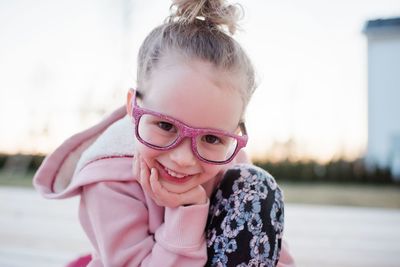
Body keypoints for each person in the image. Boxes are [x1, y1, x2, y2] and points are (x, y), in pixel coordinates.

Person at [34, 0, 295, 266]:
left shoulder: (233, 165)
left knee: (255, 183)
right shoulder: (109, 181)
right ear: (132, 106)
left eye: (212, 138)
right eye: (166, 126)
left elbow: (272, 254)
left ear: (234, 133)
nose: (183, 159)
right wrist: (185, 211)